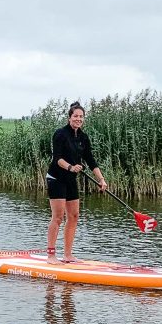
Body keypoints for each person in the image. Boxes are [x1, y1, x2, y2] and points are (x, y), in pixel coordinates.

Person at [46, 101, 107, 262]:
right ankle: (51, 255)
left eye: (81, 117)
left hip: (70, 179)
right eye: (75, 116)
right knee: (58, 217)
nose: (78, 119)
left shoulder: (83, 137)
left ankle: (67, 255)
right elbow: (57, 159)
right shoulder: (60, 134)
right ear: (69, 118)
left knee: (73, 216)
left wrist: (101, 179)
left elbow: (91, 160)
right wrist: (71, 167)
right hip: (56, 178)